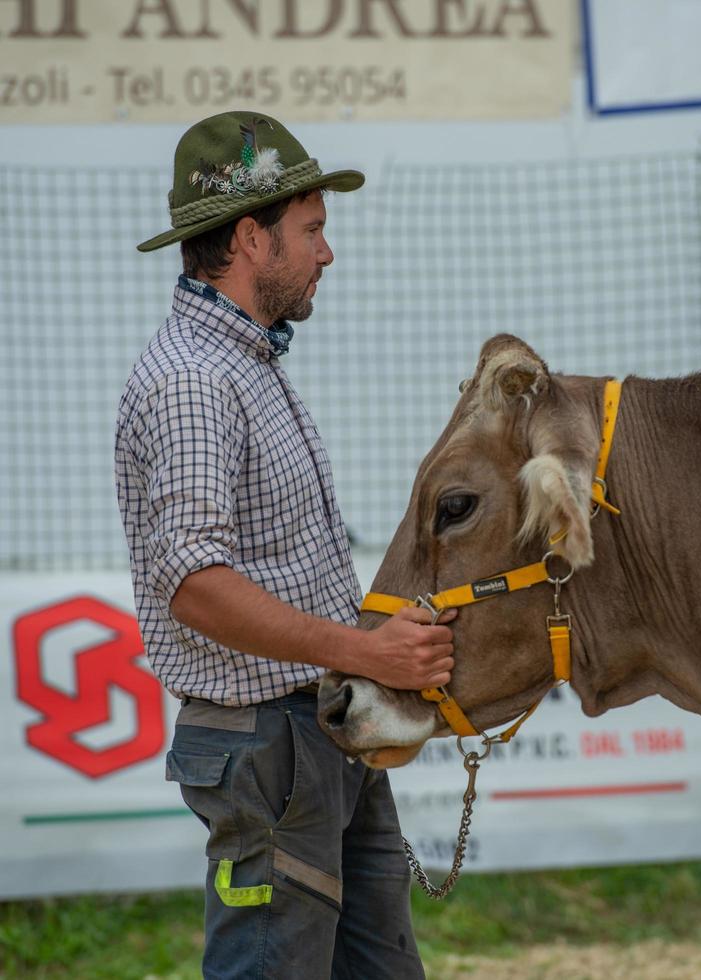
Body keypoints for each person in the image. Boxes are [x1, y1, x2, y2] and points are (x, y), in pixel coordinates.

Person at [115, 110, 455, 979]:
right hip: (271, 742)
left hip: (313, 727)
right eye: (311, 231)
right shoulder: (197, 379)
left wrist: (363, 658)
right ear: (249, 239)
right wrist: (363, 649)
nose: (325, 253)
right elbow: (195, 584)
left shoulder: (242, 364)